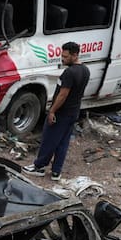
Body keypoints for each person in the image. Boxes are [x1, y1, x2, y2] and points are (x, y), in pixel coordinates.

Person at [23, 41, 90, 180]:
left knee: (49, 140)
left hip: (62, 113)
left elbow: (63, 94)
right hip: (73, 112)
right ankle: (56, 172)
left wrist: (52, 111)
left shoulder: (69, 73)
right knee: (63, 143)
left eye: (65, 56)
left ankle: (39, 167)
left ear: (75, 55)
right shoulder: (85, 70)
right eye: (62, 55)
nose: (62, 59)